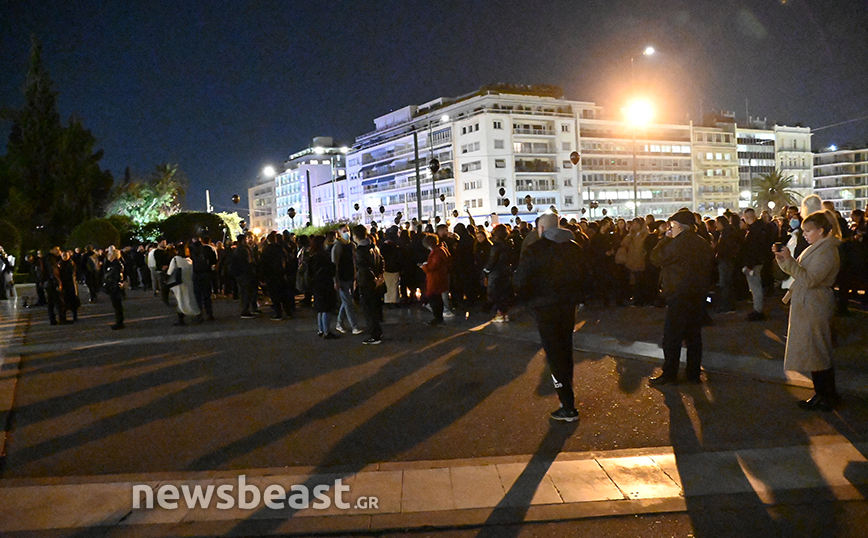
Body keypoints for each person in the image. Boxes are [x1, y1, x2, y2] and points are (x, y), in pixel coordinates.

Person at [513, 213, 585, 422]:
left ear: (542, 229)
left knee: (554, 353)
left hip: (544, 306)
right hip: (568, 305)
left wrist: (527, 299)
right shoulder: (574, 247)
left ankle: (567, 405)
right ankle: (567, 394)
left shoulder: (535, 249)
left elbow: (521, 280)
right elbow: (586, 275)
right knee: (565, 348)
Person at [774, 211, 841, 411]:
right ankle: (822, 394)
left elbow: (810, 279)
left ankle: (826, 395)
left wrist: (790, 262)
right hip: (809, 302)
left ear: (821, 230)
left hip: (815, 303)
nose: (804, 234)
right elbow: (800, 273)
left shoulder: (827, 251)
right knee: (814, 351)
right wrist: (784, 259)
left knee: (818, 350)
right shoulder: (817, 248)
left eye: (808, 231)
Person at [649, 209, 714, 385]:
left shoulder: (677, 244)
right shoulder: (702, 242)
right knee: (694, 337)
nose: (670, 228)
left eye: (672, 225)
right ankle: (693, 374)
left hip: (678, 294)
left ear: (679, 225)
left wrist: (665, 239)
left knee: (672, 337)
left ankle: (670, 374)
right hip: (697, 294)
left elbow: (655, 258)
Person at [353, 225, 385, 344]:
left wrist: (374, 278)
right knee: (374, 308)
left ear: (355, 236)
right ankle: (377, 331)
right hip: (375, 282)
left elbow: (363, 268)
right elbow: (381, 261)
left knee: (368, 309)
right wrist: (380, 276)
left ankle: (375, 335)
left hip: (366, 282)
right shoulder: (374, 247)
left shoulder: (360, 250)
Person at [740, 208, 770, 321]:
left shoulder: (753, 232)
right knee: (756, 287)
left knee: (755, 287)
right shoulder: (762, 228)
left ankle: (758, 310)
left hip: (754, 264)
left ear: (746, 218)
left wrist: (749, 265)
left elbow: (753, 250)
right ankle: (758, 309)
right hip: (759, 262)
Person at [332, 224, 362, 333]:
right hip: (342, 278)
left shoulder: (352, 245)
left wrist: (355, 276)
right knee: (348, 303)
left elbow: (354, 262)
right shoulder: (337, 246)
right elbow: (334, 264)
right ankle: (354, 326)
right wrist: (335, 280)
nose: (347, 233)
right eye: (344, 231)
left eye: (348, 231)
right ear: (339, 233)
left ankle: (339, 323)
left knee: (346, 302)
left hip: (350, 277)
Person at [310, 235, 339, 339]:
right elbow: (329, 269)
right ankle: (326, 331)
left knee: (320, 309)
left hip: (316, 284)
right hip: (325, 284)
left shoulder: (312, 255)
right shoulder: (322, 256)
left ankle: (321, 330)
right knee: (326, 308)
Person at [483, 224, 514, 322]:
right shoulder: (509, 244)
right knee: (504, 293)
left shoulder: (496, 247)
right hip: (506, 271)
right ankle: (505, 313)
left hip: (496, 272)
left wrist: (485, 270)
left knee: (496, 294)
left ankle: (500, 314)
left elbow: (492, 261)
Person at [167, 242, 201, 326]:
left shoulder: (175, 260)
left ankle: (181, 319)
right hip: (189, 282)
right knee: (190, 300)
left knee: (180, 301)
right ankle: (197, 315)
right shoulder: (190, 260)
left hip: (179, 283)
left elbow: (170, 272)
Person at [421, 233, 451, 326]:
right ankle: (439, 318)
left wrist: (424, 266)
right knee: (437, 298)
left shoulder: (436, 253)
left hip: (435, 277)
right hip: (440, 276)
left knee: (433, 297)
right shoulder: (442, 249)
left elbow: (431, 266)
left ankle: (437, 318)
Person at [103, 247, 125, 330]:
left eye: (109, 254)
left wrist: (115, 286)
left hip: (114, 287)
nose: (108, 256)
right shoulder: (112, 264)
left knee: (117, 305)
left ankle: (119, 322)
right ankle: (119, 321)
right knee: (116, 305)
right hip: (112, 286)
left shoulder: (116, 265)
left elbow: (117, 277)